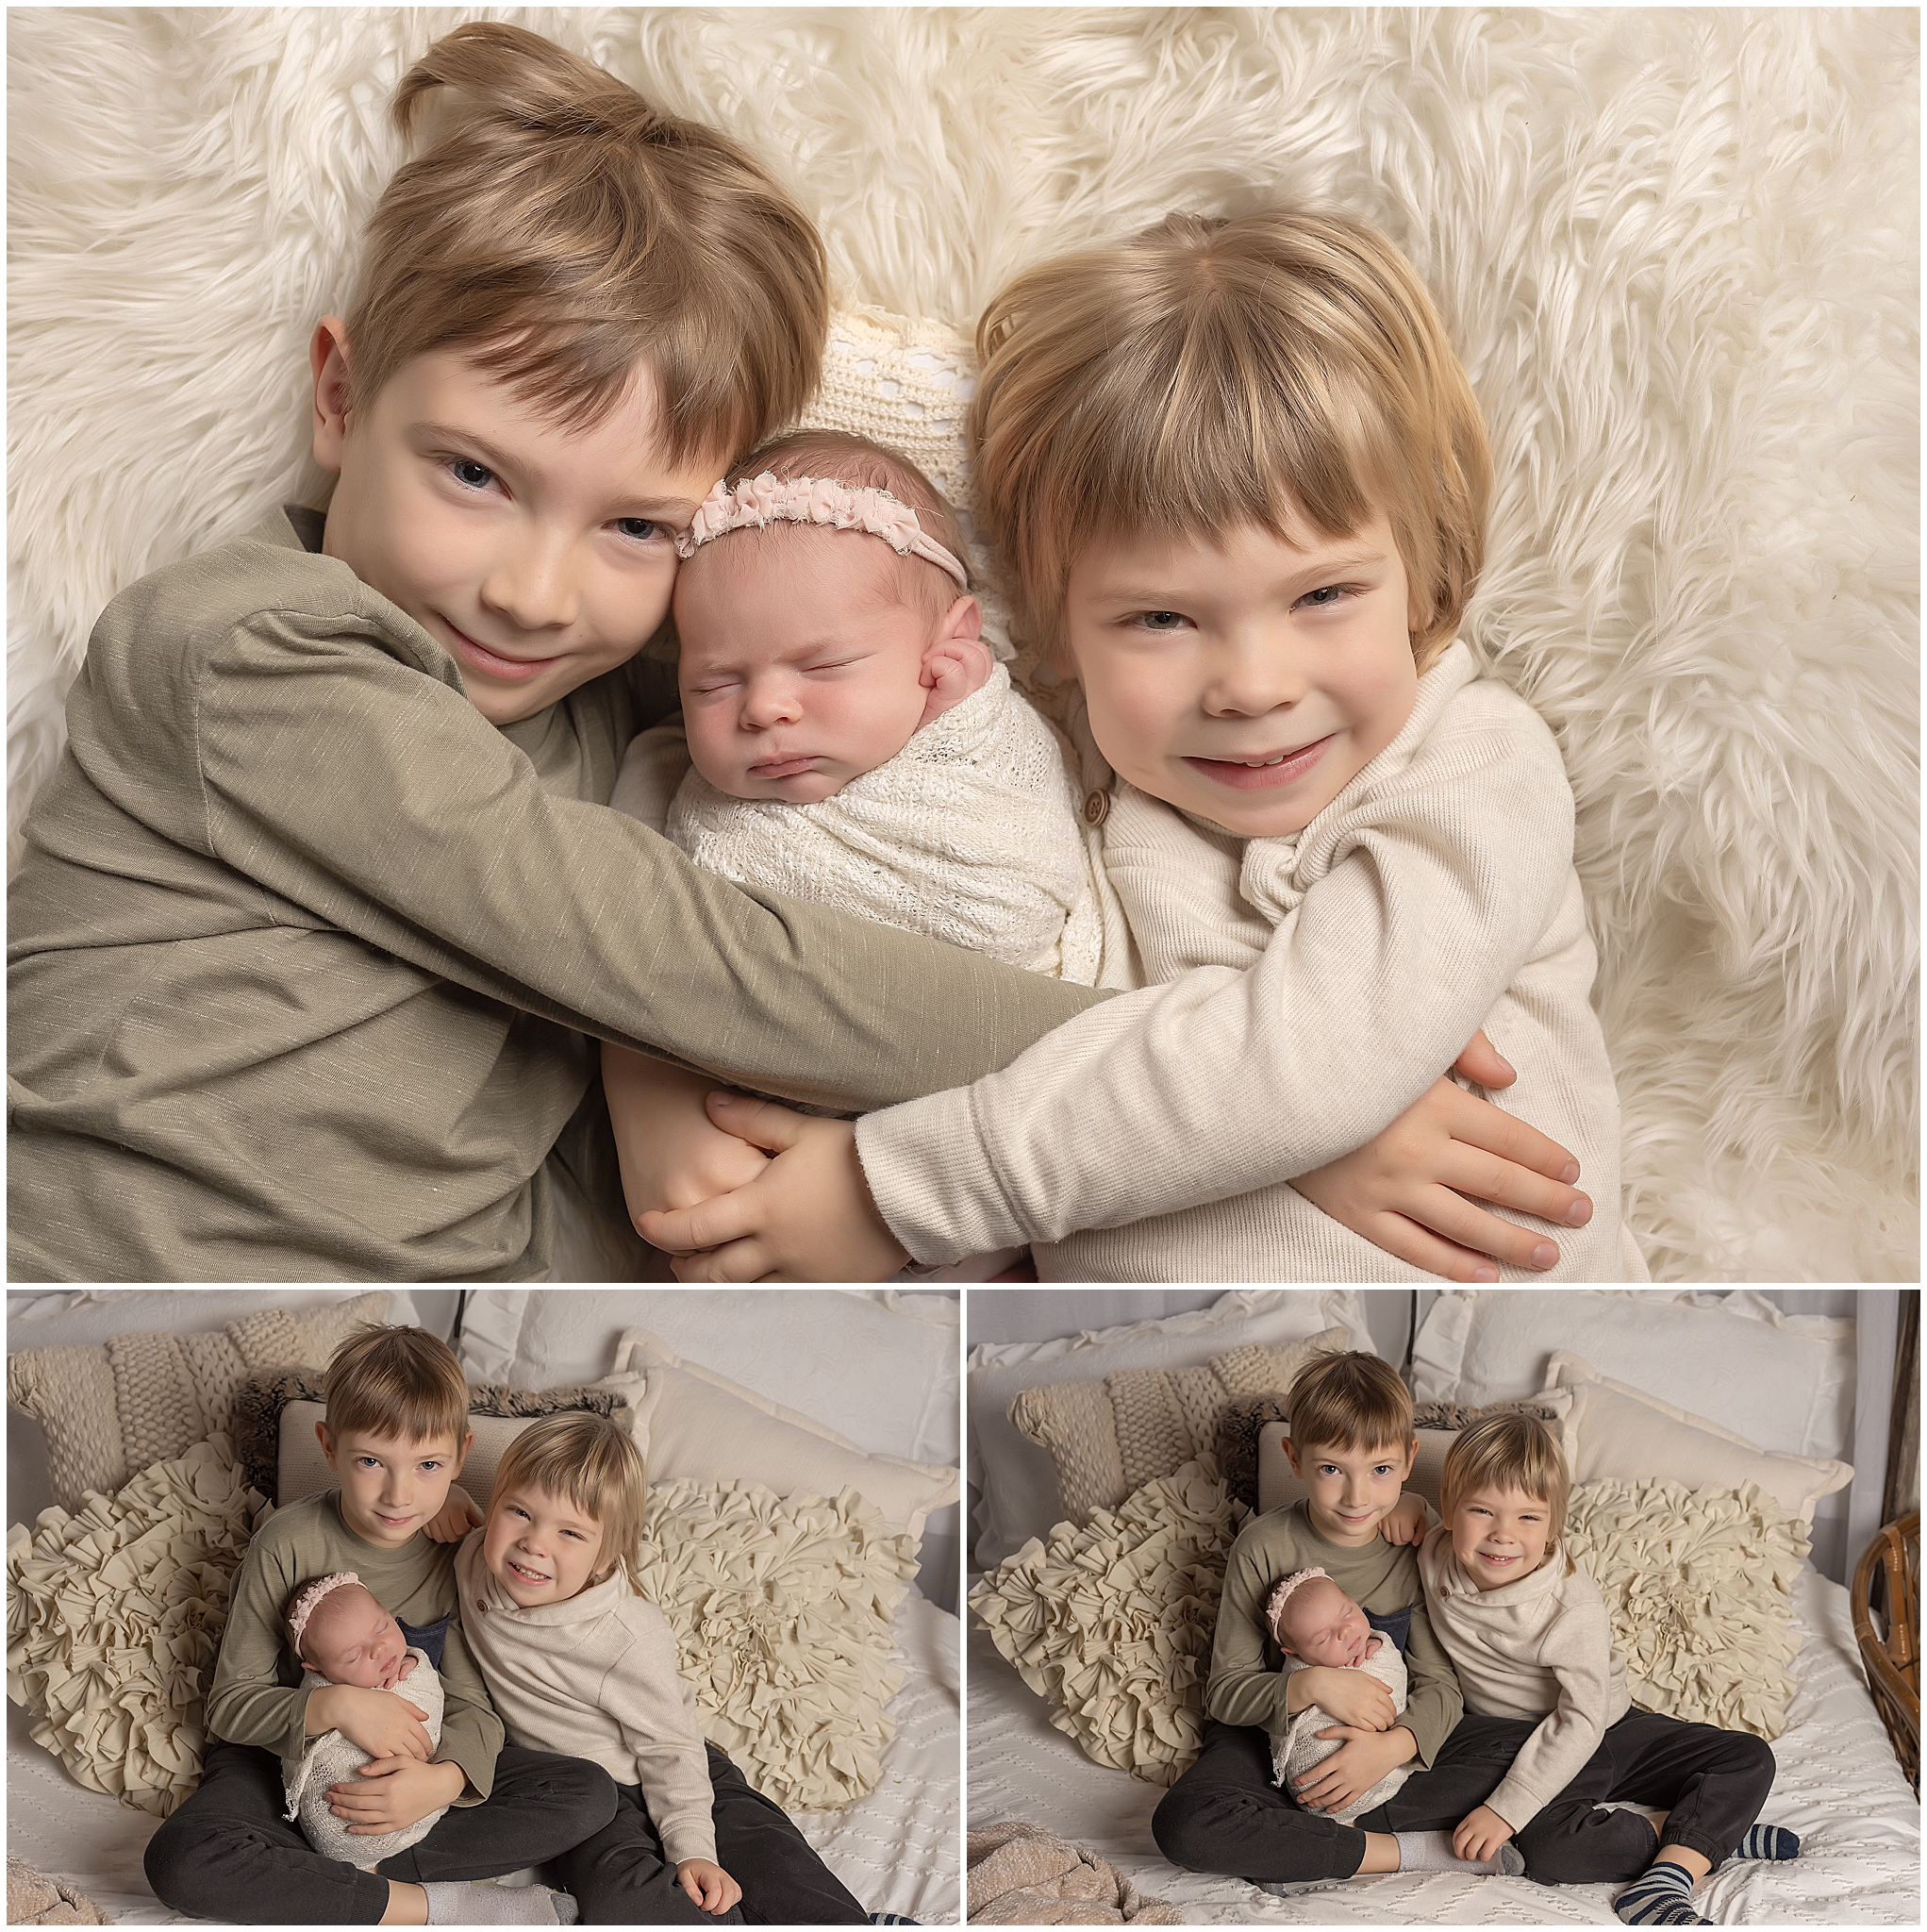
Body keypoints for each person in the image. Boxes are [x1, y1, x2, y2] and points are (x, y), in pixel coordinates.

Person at [7, 18, 1585, 1286]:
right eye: (474, 475)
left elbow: (812, 627)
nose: (536, 590)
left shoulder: (592, 733)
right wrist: (1237, 1112)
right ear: (339, 400)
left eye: (638, 529)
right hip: (137, 1283)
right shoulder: (247, 655)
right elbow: (657, 946)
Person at [639, 208, 1640, 1282]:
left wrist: (887, 1192)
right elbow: (689, 812)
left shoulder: (1472, 766)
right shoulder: (1071, 780)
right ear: (1053, 627)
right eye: (1161, 618)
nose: (1254, 686)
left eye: (1325, 593)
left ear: (1427, 569)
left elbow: (1296, 1070)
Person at [599, 427, 1098, 1237]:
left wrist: (962, 720)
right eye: (713, 682)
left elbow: (1013, 904)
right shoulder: (668, 782)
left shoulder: (988, 745)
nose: (764, 708)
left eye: (824, 667)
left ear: (948, 650)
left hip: (975, 1125)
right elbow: (654, 938)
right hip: (748, 1139)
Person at [143, 1324, 609, 1926]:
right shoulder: (287, 1541)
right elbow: (231, 1707)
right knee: (182, 1862)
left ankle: (315, 1881)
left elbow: (474, 1705)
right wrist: (336, 1707)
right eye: (370, 1461)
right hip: (286, 1773)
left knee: (589, 1793)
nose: (398, 1494)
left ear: (460, 1456)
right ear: (328, 1447)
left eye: (427, 1465)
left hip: (413, 1780)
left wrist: (440, 1783)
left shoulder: (460, 1555)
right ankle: (429, 1905)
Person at [439, 1411, 868, 1924]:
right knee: (619, 1901)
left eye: (571, 1533)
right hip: (591, 1791)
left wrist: (692, 1849)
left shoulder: (626, 1634)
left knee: (776, 1866)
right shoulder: (470, 1562)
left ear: (606, 1554)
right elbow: (396, 1524)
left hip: (681, 1763)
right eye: (520, 1512)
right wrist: (444, 1496)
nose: (536, 1543)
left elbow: (671, 1746)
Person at [1152, 1352, 1546, 1890]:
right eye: (1332, 1469)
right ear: (1294, 1458)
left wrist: (1391, 1748)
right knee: (1184, 1824)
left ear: (1409, 1460)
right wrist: (1313, 1683)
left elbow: (1442, 1686)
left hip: (1391, 1752)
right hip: (1273, 1749)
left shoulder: (1416, 1549)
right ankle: (1408, 1850)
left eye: (1380, 1471)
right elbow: (1225, 1693)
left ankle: (1297, 1847)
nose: (1358, 1497)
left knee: (1529, 1752)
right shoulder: (1263, 1546)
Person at [1404, 1412, 1801, 1924]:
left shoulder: (1571, 1607)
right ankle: (1694, 1831)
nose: (1503, 1535)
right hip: (1514, 1742)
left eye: (1528, 1518)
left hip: (1604, 1725)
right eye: (1482, 1511)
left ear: (1553, 1528)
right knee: (1547, 1850)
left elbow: (1583, 1719)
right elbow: (1396, 1512)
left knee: (1747, 1757)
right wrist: (1406, 1506)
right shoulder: (1432, 1553)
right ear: (1450, 1511)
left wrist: (1507, 1807)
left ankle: (1668, 1879)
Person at [281, 1574, 450, 1869]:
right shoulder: (320, 1692)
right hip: (351, 1821)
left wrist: (415, 1664)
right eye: (355, 1654)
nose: (380, 1650)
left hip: (424, 1794)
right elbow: (315, 1755)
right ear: (318, 1670)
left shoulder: (407, 1660)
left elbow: (431, 1695)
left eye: (383, 1626)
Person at [1263, 1569, 1416, 1828]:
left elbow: (1397, 1676)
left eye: (1347, 1613)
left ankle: (1360, 1836)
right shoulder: (1300, 1673)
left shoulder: (1374, 1644)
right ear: (1295, 1654)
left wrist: (1379, 1645)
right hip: (1323, 1784)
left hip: (1388, 1755)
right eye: (1323, 1637)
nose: (1345, 1631)